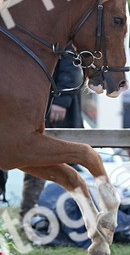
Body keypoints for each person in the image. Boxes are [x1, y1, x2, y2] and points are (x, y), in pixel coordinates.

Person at [19, 55, 84, 224]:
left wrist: (61, 101)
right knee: (37, 167)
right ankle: (31, 218)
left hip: (56, 113)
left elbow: (72, 67)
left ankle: (62, 219)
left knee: (60, 169)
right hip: (40, 109)